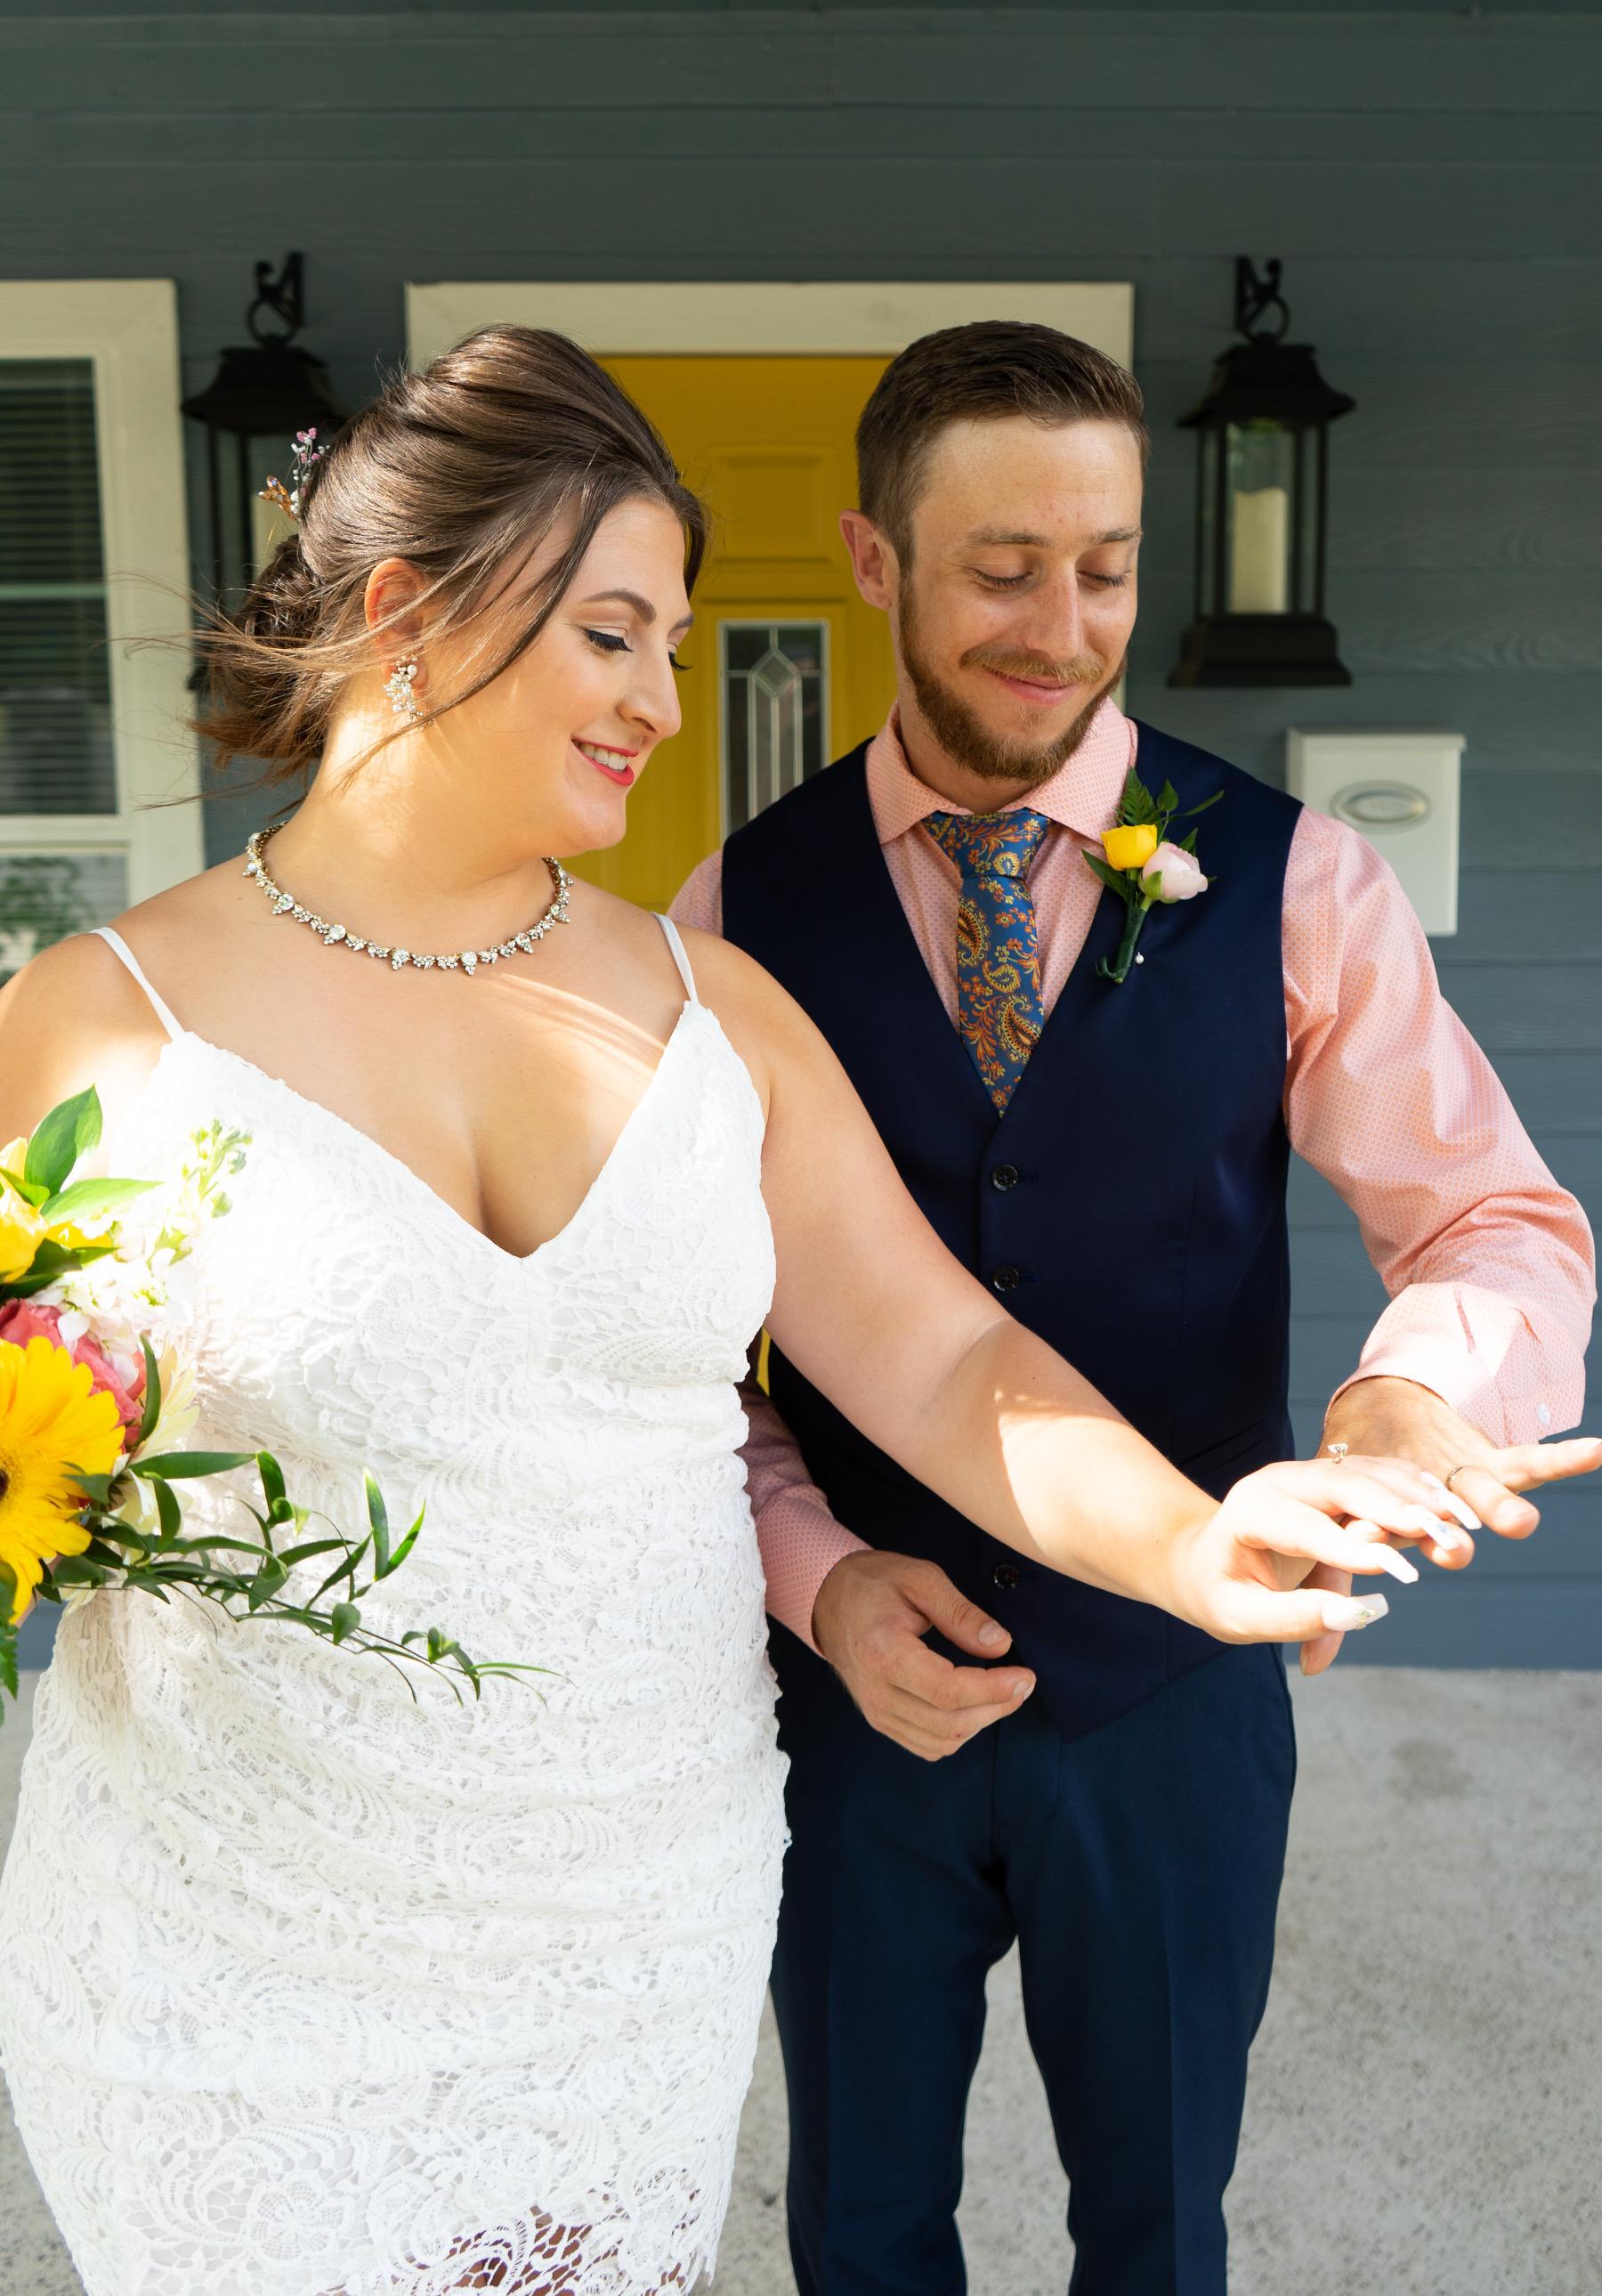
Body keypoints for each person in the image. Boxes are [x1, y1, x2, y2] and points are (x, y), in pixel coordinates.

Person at [0, 328, 1471, 2296]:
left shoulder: (716, 1013)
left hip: (633, 1922)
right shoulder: (95, 1024)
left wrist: (1196, 1546)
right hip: (247, 1930)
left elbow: (946, 1357)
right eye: (612, 636)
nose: (660, 702)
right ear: (406, 615)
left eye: (676, 646)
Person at [673, 320, 1599, 2296]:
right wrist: (812, 1572)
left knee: (1164, 2227)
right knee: (856, 2224)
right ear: (873, 559)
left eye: (1105, 568)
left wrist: (1413, 1401)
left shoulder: (1299, 882)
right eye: (1003, 568)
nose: (1065, 627)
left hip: (1176, 1690)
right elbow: (667, 1360)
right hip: (852, 1701)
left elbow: (1495, 1220)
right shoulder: (729, 917)